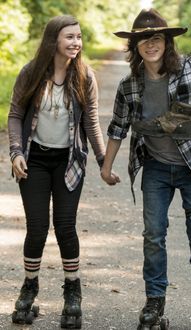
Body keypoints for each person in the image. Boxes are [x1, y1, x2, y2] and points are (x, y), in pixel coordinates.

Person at [101, 8, 191, 330]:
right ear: (136, 47)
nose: (150, 44)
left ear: (166, 42)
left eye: (156, 38)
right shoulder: (129, 85)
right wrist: (106, 167)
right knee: (153, 236)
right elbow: (117, 128)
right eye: (143, 40)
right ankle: (154, 300)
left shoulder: (190, 67)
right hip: (156, 169)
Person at [8, 15, 106, 329]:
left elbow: (91, 122)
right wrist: (16, 151)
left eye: (79, 37)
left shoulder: (85, 76)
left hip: (69, 161)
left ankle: (72, 294)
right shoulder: (31, 73)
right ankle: (29, 288)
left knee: (65, 227)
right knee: (37, 228)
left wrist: (104, 160)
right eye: (70, 37)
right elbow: (15, 115)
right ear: (54, 40)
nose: (76, 42)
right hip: (34, 160)